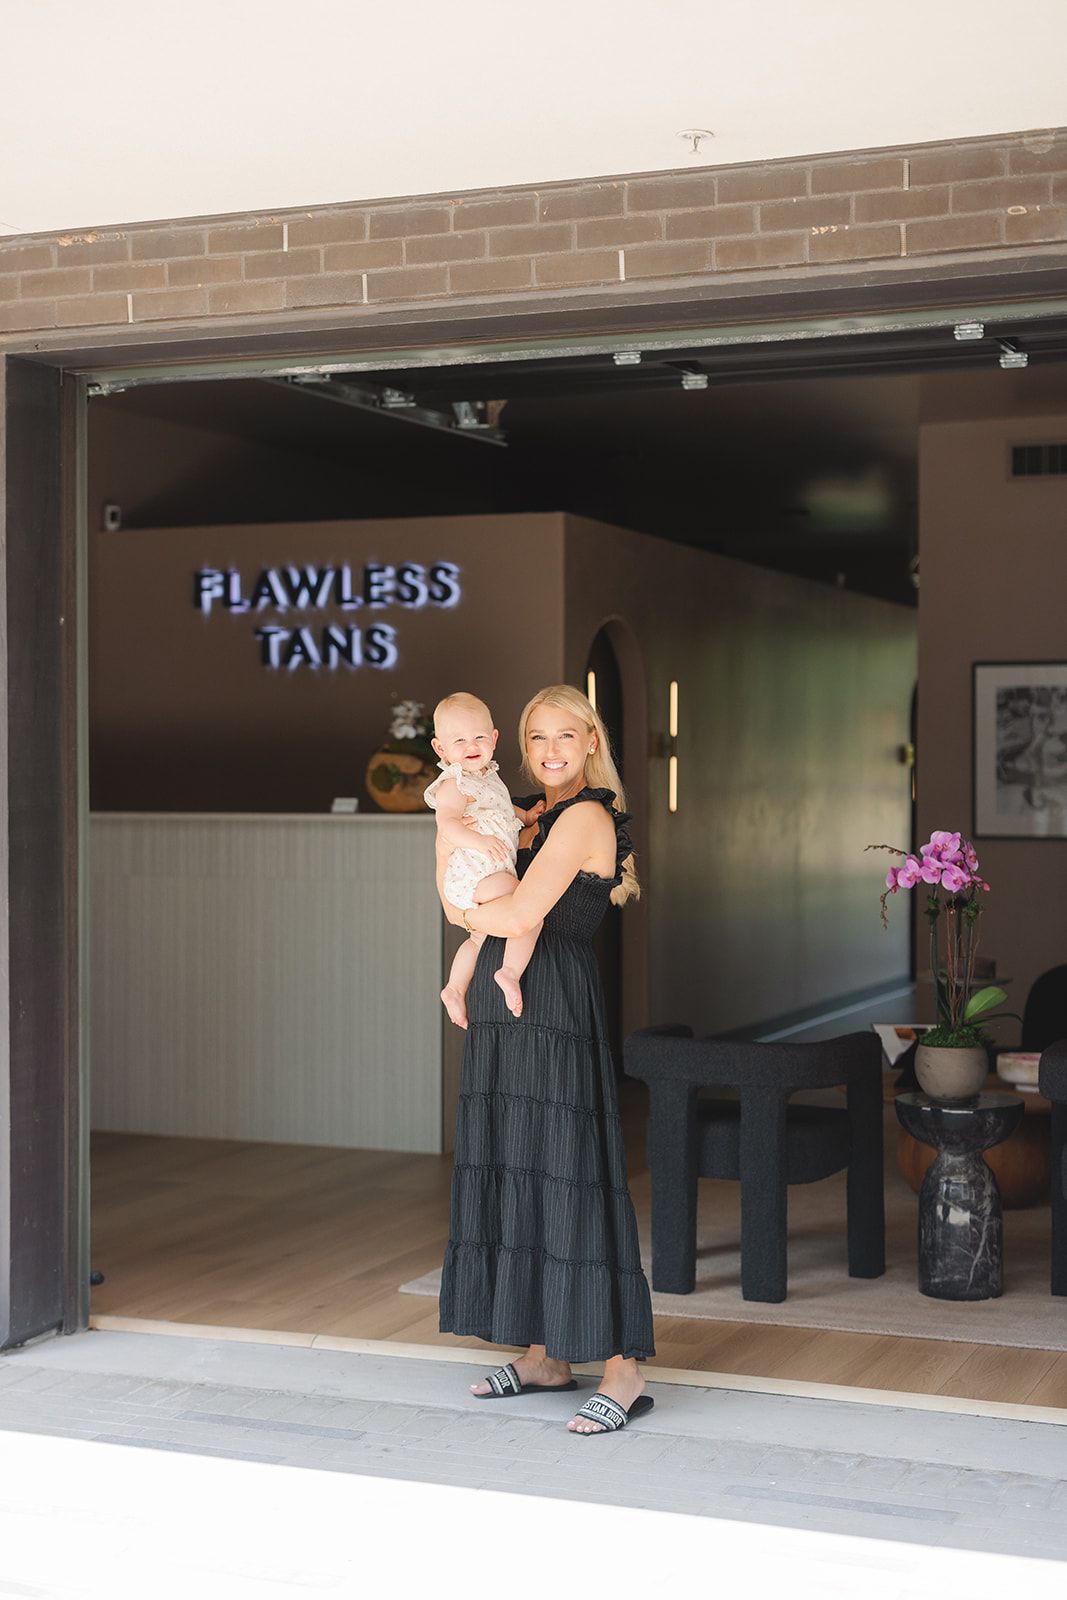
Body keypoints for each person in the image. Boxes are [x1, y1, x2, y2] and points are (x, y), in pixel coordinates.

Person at [434, 683, 656, 1436]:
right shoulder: (521, 811)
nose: (551, 750)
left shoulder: (587, 815)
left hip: (554, 1002)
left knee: (573, 1171)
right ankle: (546, 1355)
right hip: (507, 1007)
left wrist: (470, 910)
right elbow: (453, 892)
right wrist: (470, 906)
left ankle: (623, 1370)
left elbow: (519, 912)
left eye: (566, 735)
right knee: (521, 1165)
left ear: (591, 741)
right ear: (519, 747)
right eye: (538, 738)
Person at [424, 692, 547, 1025]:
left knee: (477, 938)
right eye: (459, 740)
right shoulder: (454, 783)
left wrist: (526, 816)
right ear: (440, 748)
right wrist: (478, 841)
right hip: (474, 874)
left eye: (479, 737)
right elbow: (448, 825)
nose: (471, 745)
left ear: (493, 739)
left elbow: (502, 810)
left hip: (488, 871)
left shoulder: (488, 777)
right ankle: (509, 971)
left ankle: (454, 989)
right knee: (529, 908)